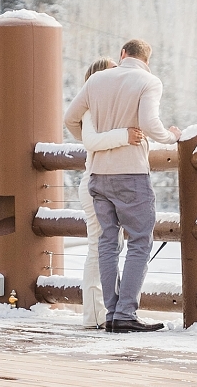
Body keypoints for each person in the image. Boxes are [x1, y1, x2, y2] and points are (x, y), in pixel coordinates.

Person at [64, 39, 181, 333]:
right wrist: (171, 137)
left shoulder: (97, 80)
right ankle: (126, 313)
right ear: (146, 60)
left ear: (123, 54)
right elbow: (149, 124)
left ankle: (113, 313)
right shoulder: (148, 81)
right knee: (140, 241)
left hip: (98, 177)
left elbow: (70, 118)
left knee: (106, 244)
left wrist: (93, 144)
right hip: (131, 175)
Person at [78, 57, 144, 329]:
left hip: (105, 181)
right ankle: (94, 316)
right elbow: (91, 141)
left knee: (109, 246)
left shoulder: (107, 109)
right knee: (99, 246)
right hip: (94, 183)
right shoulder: (91, 108)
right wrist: (125, 136)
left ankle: (109, 312)